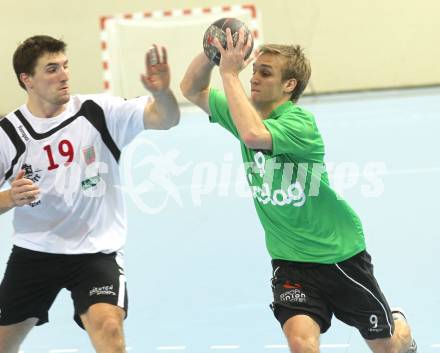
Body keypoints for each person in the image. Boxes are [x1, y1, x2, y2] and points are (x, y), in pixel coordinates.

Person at [180, 27, 417, 353]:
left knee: (389, 347)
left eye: (266, 73)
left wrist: (229, 73)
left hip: (339, 256)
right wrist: (213, 53)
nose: (254, 79)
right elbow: (191, 89)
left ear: (289, 85)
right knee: (301, 343)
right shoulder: (243, 112)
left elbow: (253, 135)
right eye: (254, 71)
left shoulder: (299, 124)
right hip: (290, 261)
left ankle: (399, 323)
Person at [0, 35, 180, 353]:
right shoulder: (9, 133)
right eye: (51, 69)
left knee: (108, 326)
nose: (64, 75)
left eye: (65, 66)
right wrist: (10, 198)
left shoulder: (99, 111)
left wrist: (162, 93)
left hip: (96, 250)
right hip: (35, 251)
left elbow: (165, 119)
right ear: (26, 79)